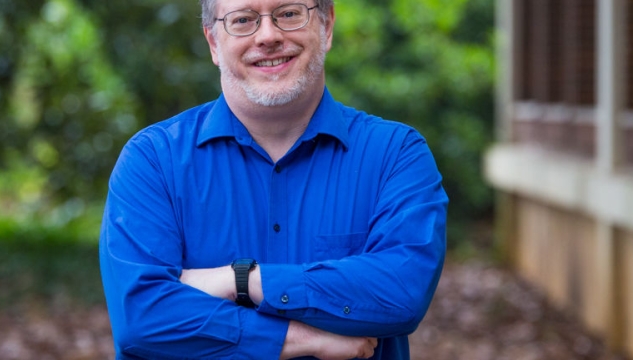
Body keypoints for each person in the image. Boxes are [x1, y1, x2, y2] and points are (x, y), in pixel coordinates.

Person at [98, 0, 448, 358]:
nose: (268, 35)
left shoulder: (396, 154)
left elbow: (402, 293)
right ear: (214, 43)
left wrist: (242, 281)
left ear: (326, 26)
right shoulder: (153, 161)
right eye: (243, 19)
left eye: (289, 13)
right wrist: (297, 338)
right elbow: (141, 319)